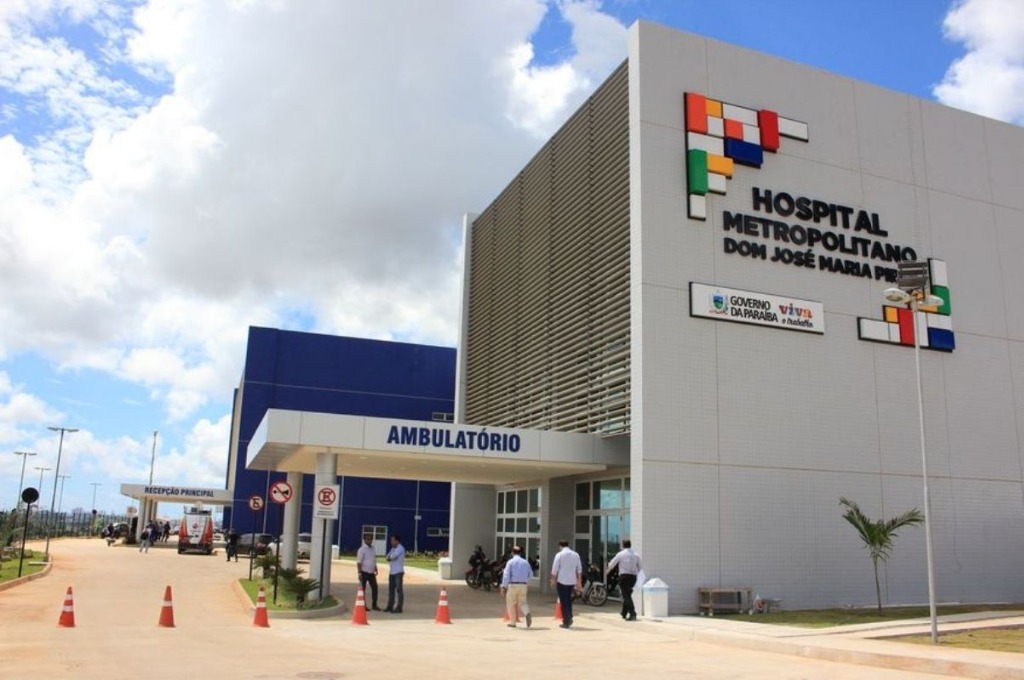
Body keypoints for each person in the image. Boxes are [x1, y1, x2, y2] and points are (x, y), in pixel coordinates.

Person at [607, 539, 642, 621]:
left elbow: (611, 564)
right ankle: (624, 612)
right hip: (633, 577)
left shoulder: (621, 554)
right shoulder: (636, 555)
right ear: (630, 544)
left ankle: (633, 613)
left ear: (623, 545)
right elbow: (640, 567)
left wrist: (608, 570)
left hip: (624, 577)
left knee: (626, 596)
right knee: (627, 594)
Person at [550, 539, 582, 629]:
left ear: (560, 546)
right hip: (572, 581)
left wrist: (553, 580)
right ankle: (569, 616)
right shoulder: (576, 555)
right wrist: (579, 581)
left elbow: (554, 569)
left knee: (563, 601)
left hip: (562, 581)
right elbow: (579, 569)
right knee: (568, 599)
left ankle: (566, 620)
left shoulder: (559, 555)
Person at [500, 545, 533, 628]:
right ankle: (527, 613)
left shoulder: (510, 562)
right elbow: (531, 574)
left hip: (513, 585)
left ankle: (513, 622)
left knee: (510, 603)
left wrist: (504, 586)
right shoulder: (525, 562)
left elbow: (506, 575)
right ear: (520, 553)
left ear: (512, 553)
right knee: (523, 602)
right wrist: (525, 581)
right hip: (523, 585)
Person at [356, 533, 381, 610]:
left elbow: (373, 559)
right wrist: (359, 573)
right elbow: (359, 562)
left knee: (375, 588)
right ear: (364, 540)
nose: (370, 541)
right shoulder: (361, 550)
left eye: (371, 539)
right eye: (368, 539)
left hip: (371, 573)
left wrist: (375, 568)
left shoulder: (373, 548)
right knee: (363, 589)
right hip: (364, 572)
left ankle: (374, 605)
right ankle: (364, 606)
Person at [384, 534, 405, 613]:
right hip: (392, 572)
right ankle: (390, 606)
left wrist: (390, 557)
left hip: (398, 572)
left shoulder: (400, 548)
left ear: (397, 541)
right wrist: (389, 557)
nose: (391, 542)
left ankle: (399, 607)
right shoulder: (393, 548)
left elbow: (392, 557)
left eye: (392, 540)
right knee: (391, 590)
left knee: (399, 590)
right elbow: (387, 557)